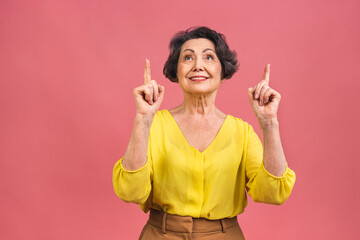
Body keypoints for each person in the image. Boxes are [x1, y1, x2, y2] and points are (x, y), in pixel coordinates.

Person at [113, 26, 296, 240]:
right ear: (177, 71)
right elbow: (130, 191)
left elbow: (274, 193)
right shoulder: (155, 125)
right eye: (188, 58)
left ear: (222, 71)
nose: (198, 65)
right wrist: (143, 120)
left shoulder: (241, 132)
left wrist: (269, 123)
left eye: (209, 58)